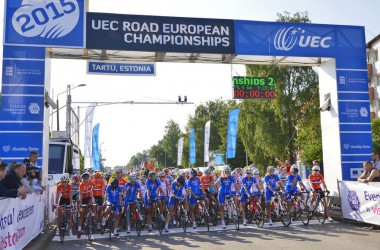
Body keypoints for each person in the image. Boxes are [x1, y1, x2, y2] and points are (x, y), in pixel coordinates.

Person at [77, 172, 96, 238]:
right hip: (83, 198)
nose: (85, 179)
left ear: (89, 178)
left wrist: (91, 191)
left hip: (89, 197)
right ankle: (79, 230)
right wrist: (81, 204)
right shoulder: (81, 185)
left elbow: (94, 185)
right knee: (81, 214)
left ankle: (93, 215)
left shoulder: (91, 182)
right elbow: (80, 195)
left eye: (87, 178)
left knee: (93, 202)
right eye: (84, 178)